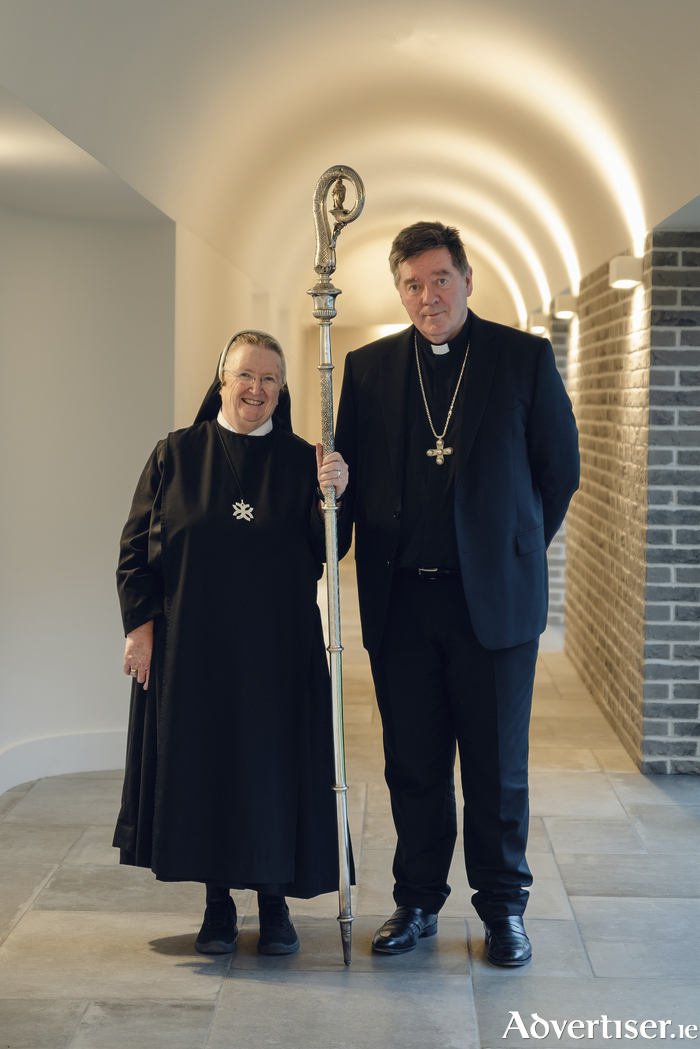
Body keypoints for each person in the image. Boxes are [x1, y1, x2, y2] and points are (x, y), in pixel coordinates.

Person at [334, 222, 579, 966]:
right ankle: (416, 902)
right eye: (412, 283)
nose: (427, 295)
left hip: (491, 609)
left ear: (468, 279)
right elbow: (349, 481)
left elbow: (558, 472)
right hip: (402, 603)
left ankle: (504, 910)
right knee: (413, 763)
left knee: (497, 768)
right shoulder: (369, 367)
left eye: (440, 278)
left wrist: (509, 553)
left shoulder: (522, 358)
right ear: (399, 289)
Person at [114, 329, 349, 957]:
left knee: (272, 776)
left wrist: (336, 496)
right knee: (209, 772)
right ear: (222, 380)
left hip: (278, 653)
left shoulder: (304, 461)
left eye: (271, 379)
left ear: (283, 389)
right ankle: (218, 907)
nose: (257, 389)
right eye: (246, 375)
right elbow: (136, 549)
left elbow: (329, 550)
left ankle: (273, 906)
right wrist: (139, 628)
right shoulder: (174, 455)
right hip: (195, 652)